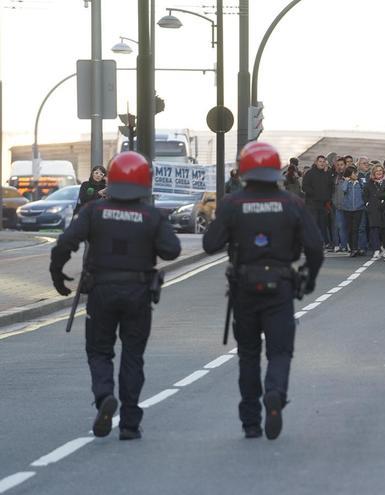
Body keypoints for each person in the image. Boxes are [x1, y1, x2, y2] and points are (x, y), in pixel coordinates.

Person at [50, 151, 181, 440]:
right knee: (133, 355)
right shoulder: (150, 215)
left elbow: (66, 242)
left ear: (112, 178)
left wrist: (57, 273)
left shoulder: (94, 211)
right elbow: (172, 250)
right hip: (138, 292)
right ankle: (130, 422)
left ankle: (104, 396)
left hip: (101, 290)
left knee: (99, 351)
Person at [203, 141, 324, 440]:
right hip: (281, 285)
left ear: (244, 170)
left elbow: (210, 245)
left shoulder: (233, 203)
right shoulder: (292, 203)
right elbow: (315, 246)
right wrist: (308, 278)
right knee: (280, 351)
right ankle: (275, 393)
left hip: (244, 287)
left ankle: (250, 423)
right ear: (276, 170)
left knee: (248, 355)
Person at [302, 155, 334, 248]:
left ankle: (322, 243)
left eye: (324, 162)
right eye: (320, 161)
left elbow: (331, 187)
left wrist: (328, 197)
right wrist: (314, 194)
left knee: (323, 225)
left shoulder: (327, 174)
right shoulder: (310, 173)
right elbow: (304, 187)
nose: (322, 163)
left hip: (323, 204)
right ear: (316, 162)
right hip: (312, 203)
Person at [340, 165, 366, 257]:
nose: (356, 175)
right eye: (354, 173)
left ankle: (358, 248)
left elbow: (364, 192)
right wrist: (346, 181)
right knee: (350, 229)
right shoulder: (346, 182)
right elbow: (343, 189)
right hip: (348, 209)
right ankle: (353, 248)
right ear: (349, 174)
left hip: (359, 208)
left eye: (356, 173)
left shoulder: (359, 183)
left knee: (357, 229)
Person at [363, 164, 385, 259]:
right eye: (376, 171)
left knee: (384, 230)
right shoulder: (369, 184)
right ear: (373, 173)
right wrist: (367, 204)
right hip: (373, 210)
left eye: (380, 170)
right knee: (374, 230)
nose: (379, 172)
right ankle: (376, 249)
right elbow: (365, 196)